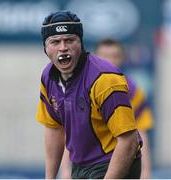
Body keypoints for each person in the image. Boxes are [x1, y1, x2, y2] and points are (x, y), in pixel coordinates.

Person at [36, 11, 142, 179]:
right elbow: (54, 128)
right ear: (45, 48)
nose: (63, 47)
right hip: (80, 165)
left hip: (113, 160)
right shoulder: (48, 77)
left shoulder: (105, 79)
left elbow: (129, 141)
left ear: (81, 43)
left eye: (70, 40)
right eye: (55, 42)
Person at [95, 38, 154, 179]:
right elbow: (72, 135)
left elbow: (141, 134)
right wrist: (66, 172)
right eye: (103, 56)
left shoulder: (133, 92)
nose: (109, 61)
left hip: (122, 166)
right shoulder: (82, 90)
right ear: (94, 58)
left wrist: (145, 173)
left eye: (114, 56)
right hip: (90, 166)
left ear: (122, 58)